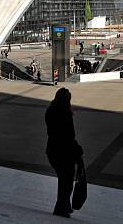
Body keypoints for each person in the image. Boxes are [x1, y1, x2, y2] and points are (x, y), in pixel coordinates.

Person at [45, 88, 83, 218]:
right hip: (64, 153)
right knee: (66, 182)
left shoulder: (51, 109)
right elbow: (68, 136)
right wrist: (77, 150)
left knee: (64, 180)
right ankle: (61, 208)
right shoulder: (64, 112)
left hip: (53, 150)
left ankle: (63, 206)